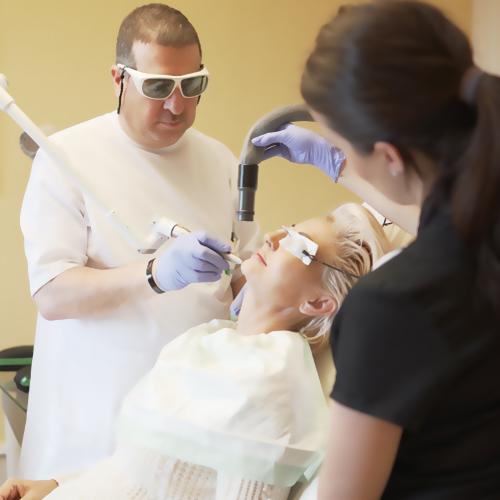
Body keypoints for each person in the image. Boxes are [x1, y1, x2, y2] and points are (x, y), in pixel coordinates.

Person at [254, 1, 500, 498]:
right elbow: (452, 224)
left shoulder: (391, 306)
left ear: (388, 154)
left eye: (342, 148)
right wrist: (338, 165)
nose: (275, 238)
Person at [0, 204, 392, 500]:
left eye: (298, 244)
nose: (272, 238)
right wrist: (55, 486)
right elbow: (141, 472)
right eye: (287, 229)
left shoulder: (275, 382)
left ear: (320, 304)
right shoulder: (205, 341)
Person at [18, 3, 259, 480]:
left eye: (193, 85)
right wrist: (155, 274)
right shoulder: (65, 159)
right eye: (158, 87)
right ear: (118, 79)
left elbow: (241, 270)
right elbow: (53, 293)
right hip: (90, 431)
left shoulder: (219, 161)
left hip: (189, 429)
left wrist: (254, 286)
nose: (177, 104)